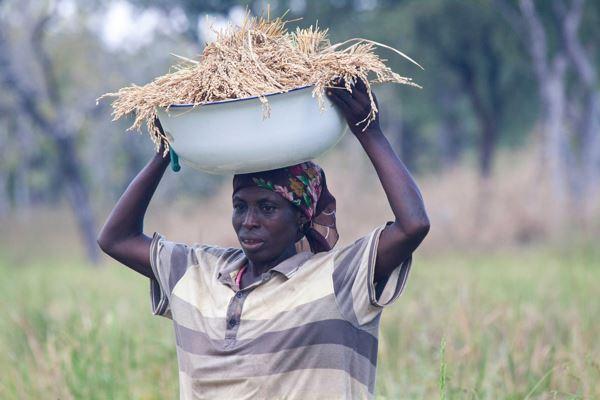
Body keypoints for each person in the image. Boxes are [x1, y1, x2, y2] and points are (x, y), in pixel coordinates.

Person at [97, 78, 430, 400]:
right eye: (240, 206)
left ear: (301, 219)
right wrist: (165, 149)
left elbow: (413, 225)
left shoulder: (337, 279)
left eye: (267, 208)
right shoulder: (198, 272)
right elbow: (116, 239)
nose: (248, 222)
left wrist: (370, 132)